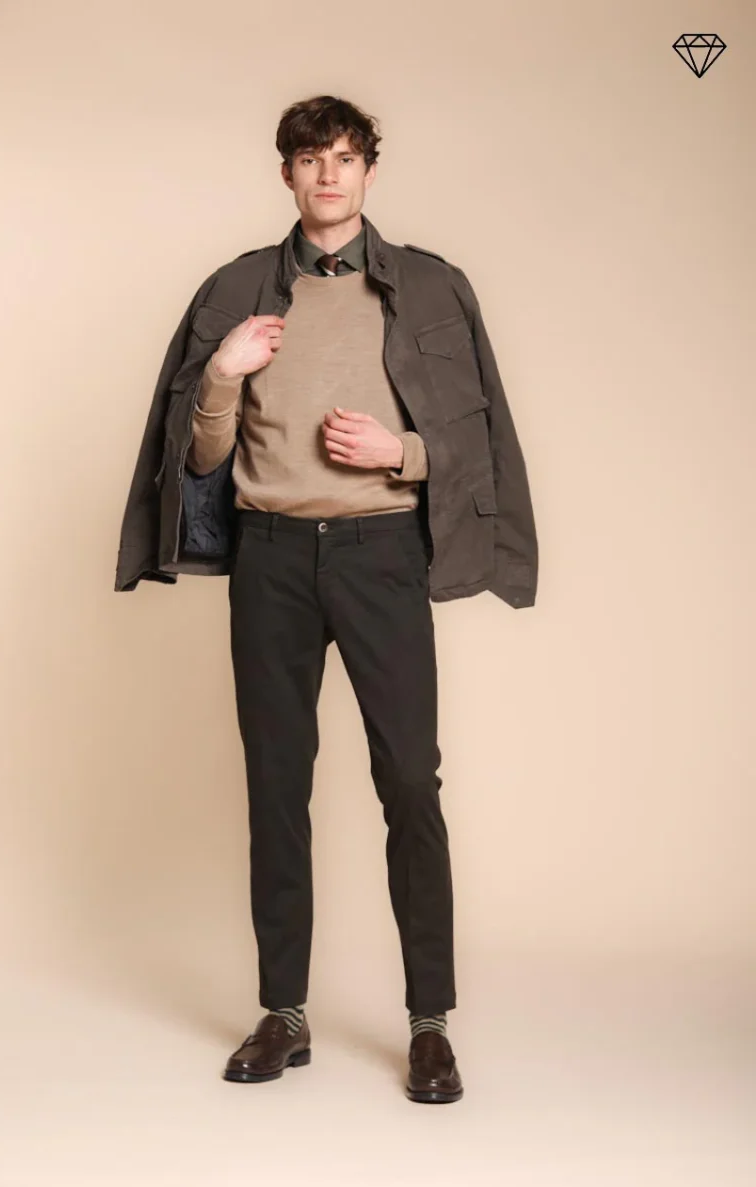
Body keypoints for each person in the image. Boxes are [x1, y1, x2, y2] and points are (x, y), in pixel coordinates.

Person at [114, 94, 538, 1103]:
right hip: (270, 559)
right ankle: (284, 1015)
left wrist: (402, 451)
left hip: (381, 555)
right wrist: (223, 375)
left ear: (369, 172)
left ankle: (429, 1025)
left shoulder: (429, 287)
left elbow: (477, 443)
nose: (328, 175)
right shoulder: (234, 290)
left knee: (410, 783)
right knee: (276, 787)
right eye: (310, 159)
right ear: (287, 175)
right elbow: (202, 459)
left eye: (345, 158)